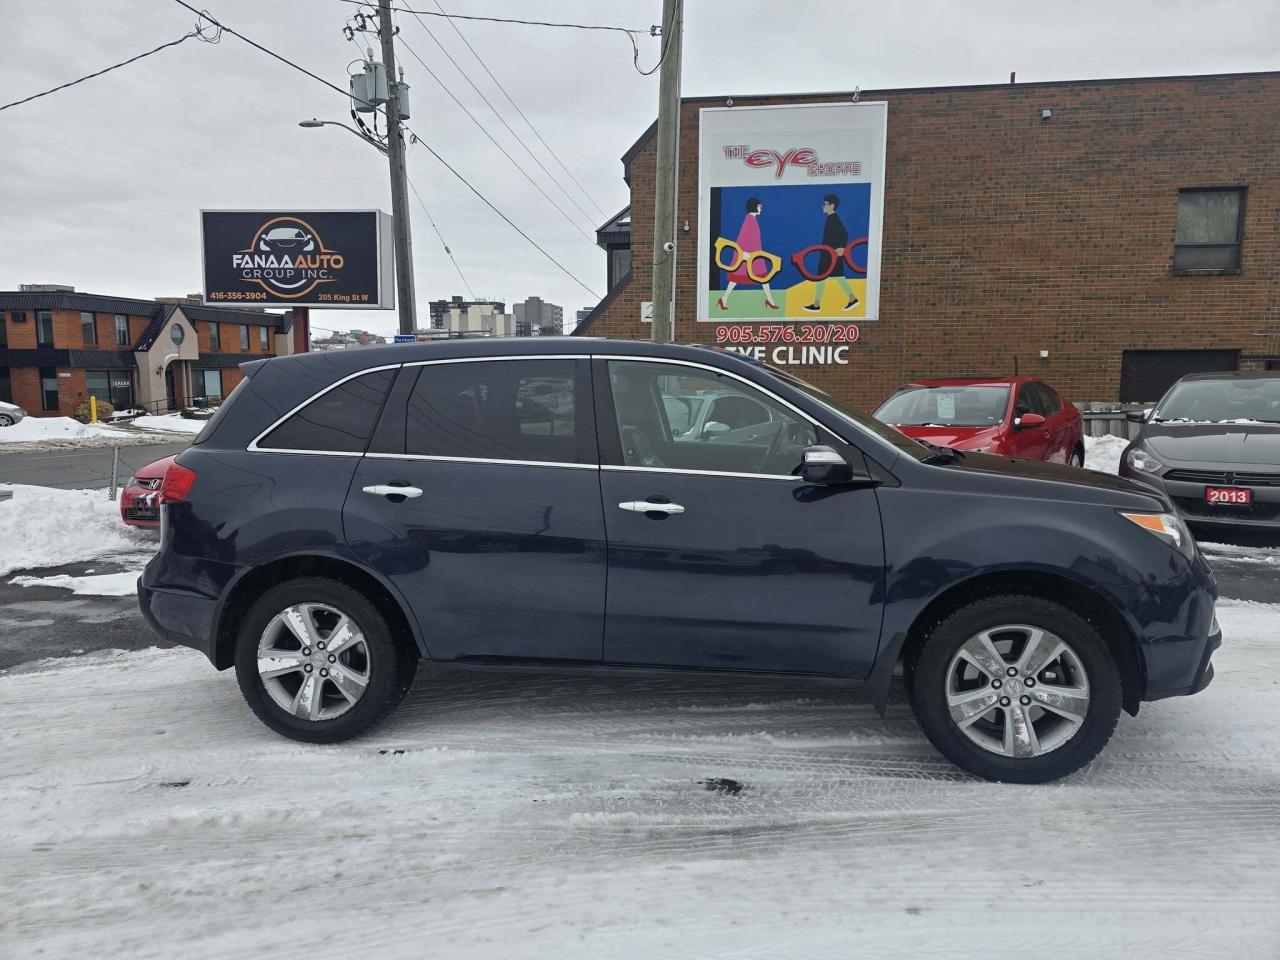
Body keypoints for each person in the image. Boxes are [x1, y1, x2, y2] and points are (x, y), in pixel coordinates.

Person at [718, 198, 779, 311]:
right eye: (759, 206)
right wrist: (743, 254)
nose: (761, 208)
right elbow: (741, 238)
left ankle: (769, 300)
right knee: (741, 279)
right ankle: (724, 299)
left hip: (754, 256)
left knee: (761, 278)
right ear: (754, 207)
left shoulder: (752, 220)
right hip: (749, 256)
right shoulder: (750, 220)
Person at [803, 194, 859, 313]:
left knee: (826, 278)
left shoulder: (834, 219)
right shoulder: (830, 218)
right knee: (835, 278)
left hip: (831, 255)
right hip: (828, 254)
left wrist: (841, 248)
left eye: (826, 204)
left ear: (832, 206)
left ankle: (817, 305)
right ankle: (851, 299)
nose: (823, 206)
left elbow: (844, 234)